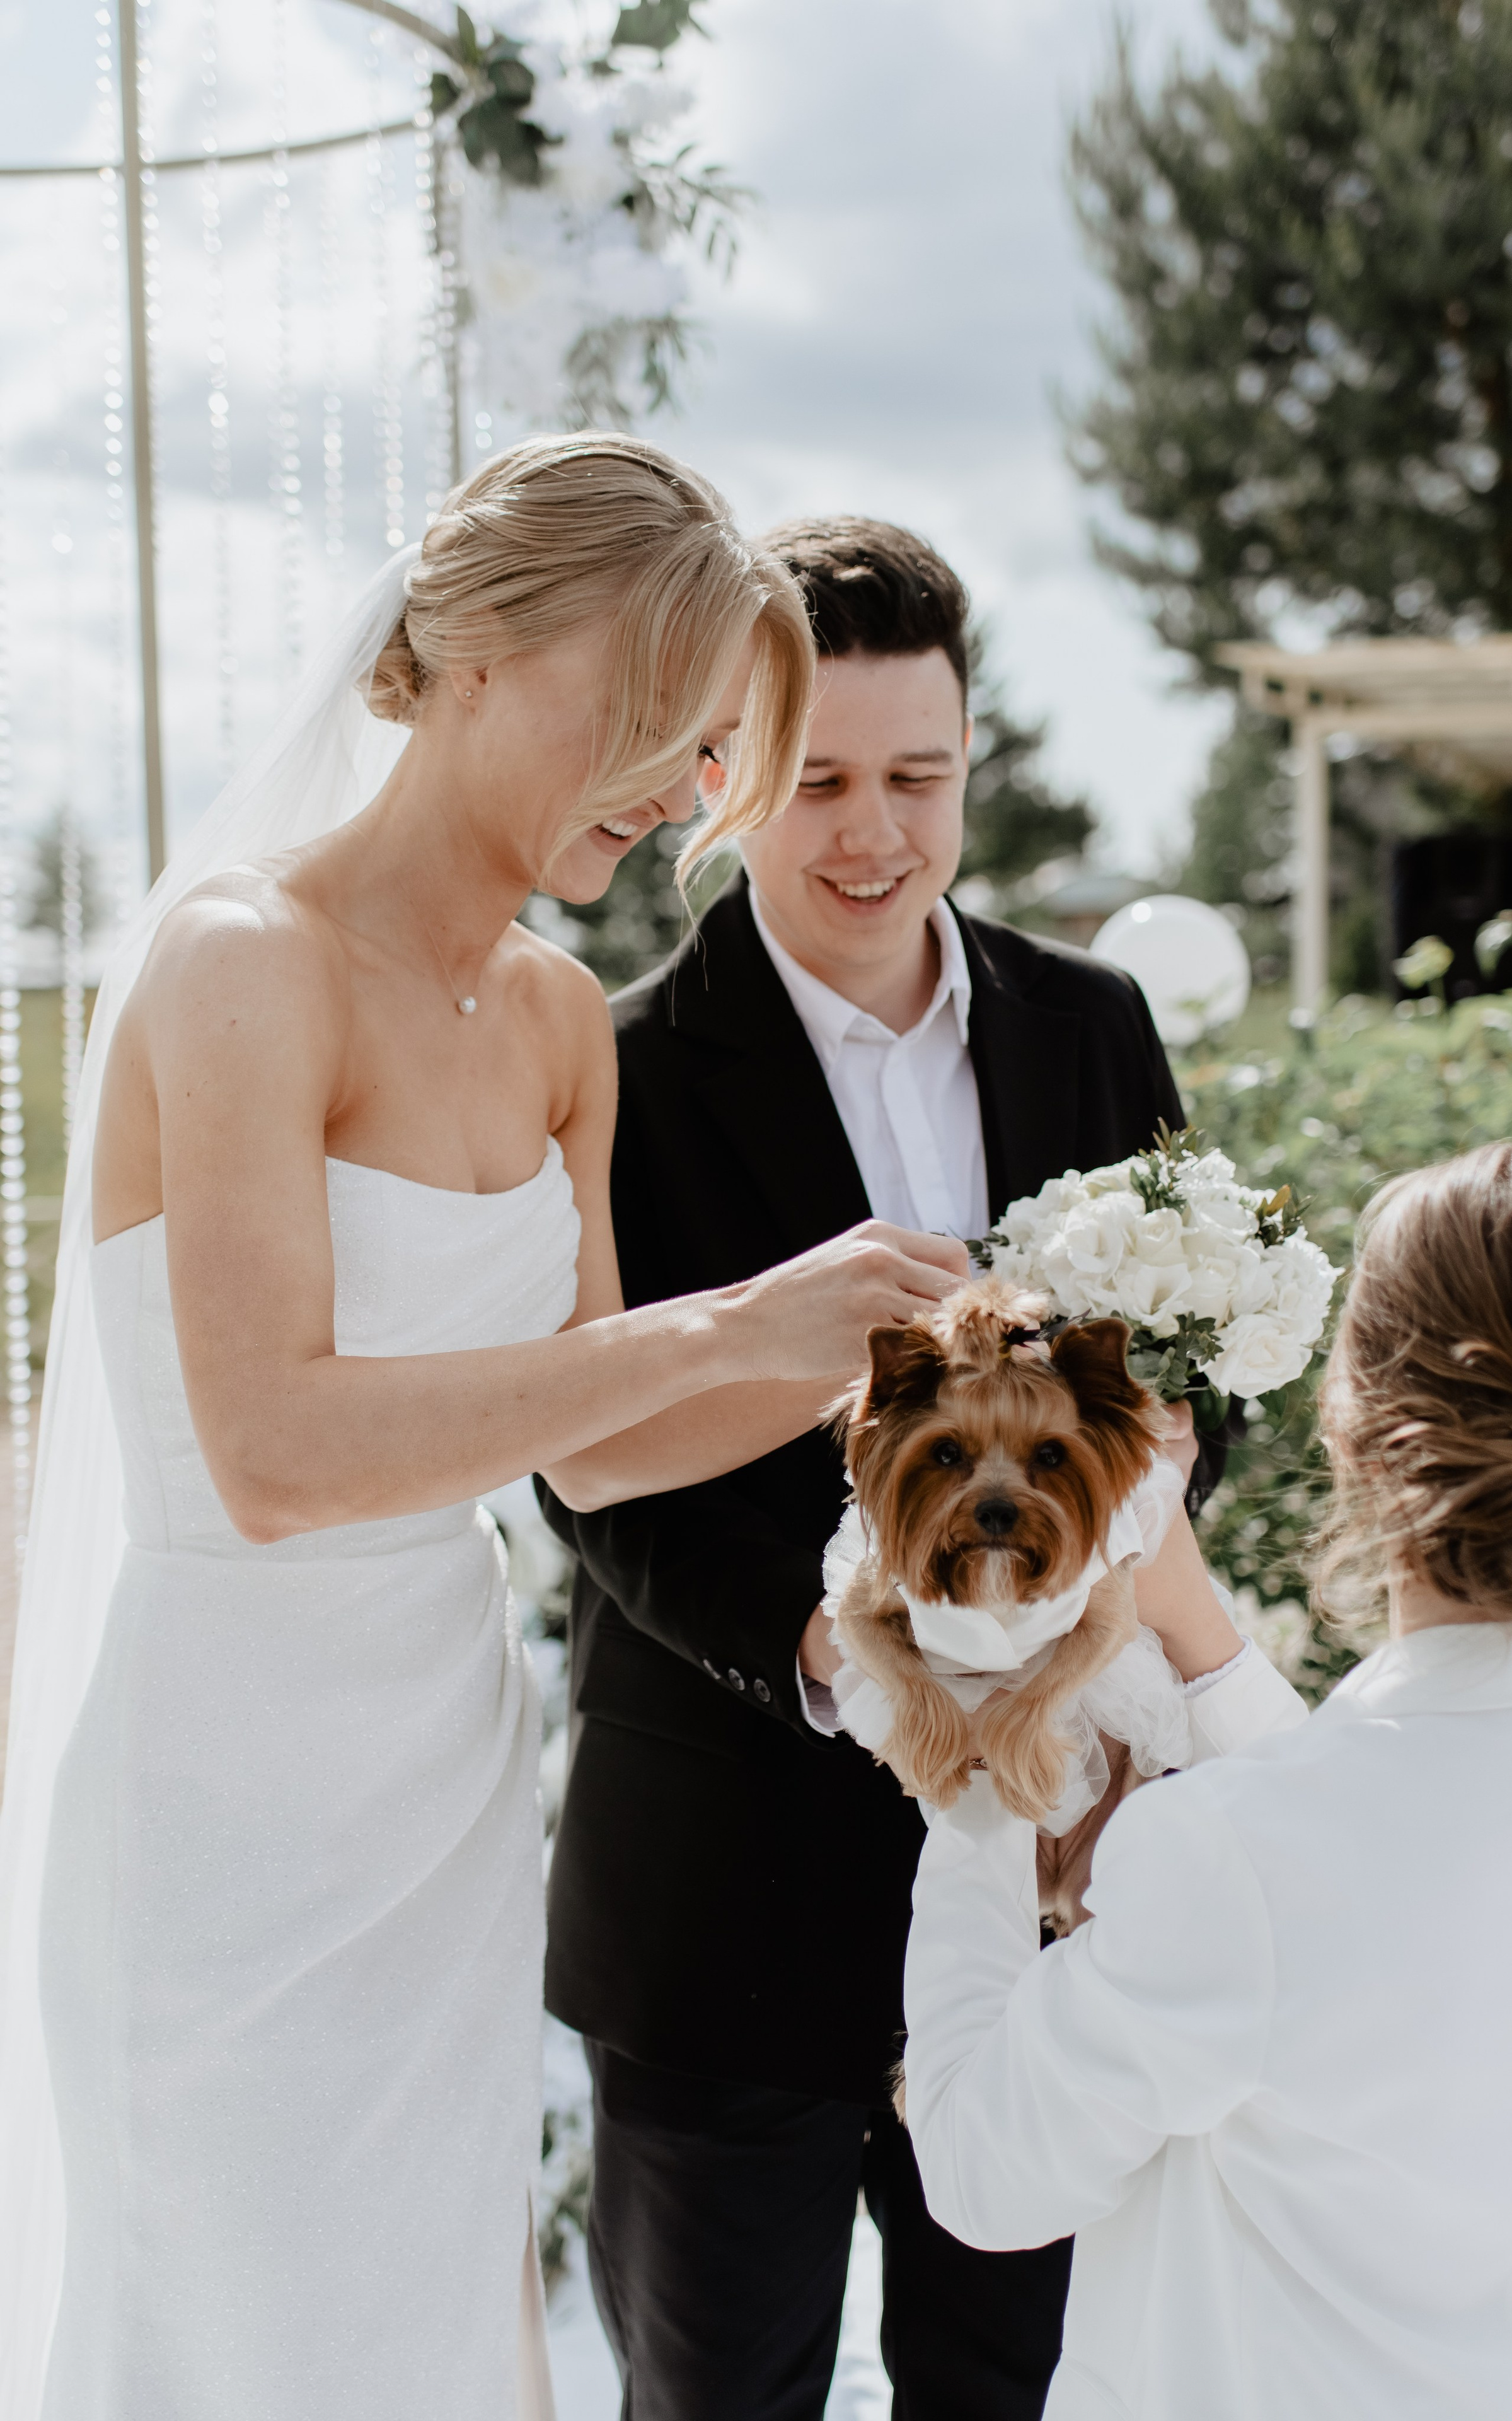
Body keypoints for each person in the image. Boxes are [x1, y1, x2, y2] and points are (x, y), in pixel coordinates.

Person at [0, 438, 976, 2421]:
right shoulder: (239, 963)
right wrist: (731, 1321)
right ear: (465, 655)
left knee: (434, 2323)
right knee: (242, 2319)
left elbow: (599, 1453)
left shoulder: (549, 1020)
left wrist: (913, 1371)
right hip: (222, 1797)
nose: (680, 790)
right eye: (645, 721)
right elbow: (273, 1451)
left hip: (438, 1783)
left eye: (710, 747)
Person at [539, 517, 1293, 2420]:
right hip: (730, 1910)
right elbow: (587, 1462)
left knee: (1024, 2396)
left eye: (920, 778)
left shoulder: (1090, 1024)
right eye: (821, 783)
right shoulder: (615, 1067)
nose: (874, 833)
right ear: (726, 775)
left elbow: (1198, 1366)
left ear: (973, 766)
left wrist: (1142, 1538)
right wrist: (835, 1665)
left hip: (1066, 1895)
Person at [904, 1137, 1512, 2421]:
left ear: (1348, 1419)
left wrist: (976, 1753)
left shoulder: (1236, 1856)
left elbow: (980, 2165)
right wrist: (1191, 1628)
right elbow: (1378, 1856)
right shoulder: (1297, 1832)